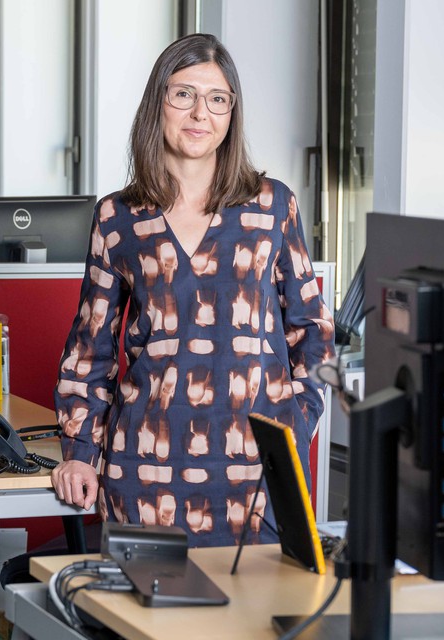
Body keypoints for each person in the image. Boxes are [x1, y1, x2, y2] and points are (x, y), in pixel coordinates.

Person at [52, 33, 335, 548]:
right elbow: (89, 349)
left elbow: (313, 330)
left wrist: (297, 421)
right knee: (147, 626)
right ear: (157, 103)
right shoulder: (118, 218)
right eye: (183, 94)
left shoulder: (271, 207)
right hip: (145, 468)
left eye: (217, 99)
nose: (200, 113)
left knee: (258, 621)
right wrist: (78, 450)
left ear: (231, 114)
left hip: (257, 471)